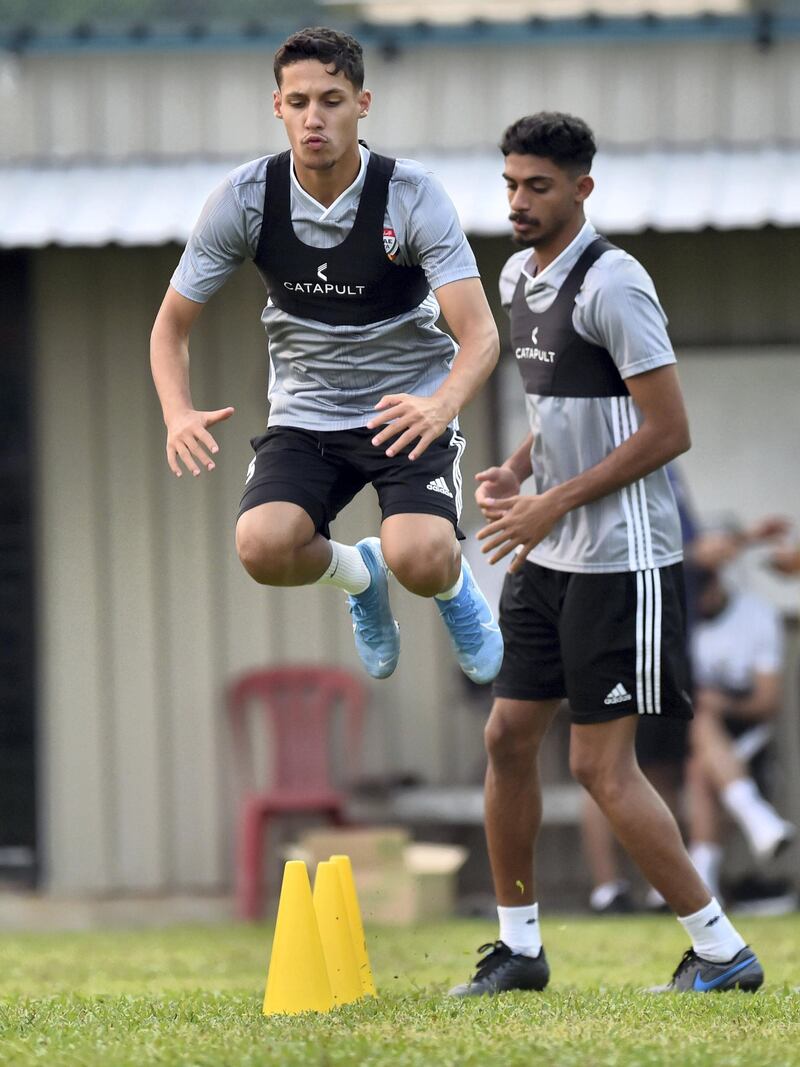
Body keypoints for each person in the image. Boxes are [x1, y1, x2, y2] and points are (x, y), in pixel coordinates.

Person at [449, 112, 762, 996]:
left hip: (625, 561)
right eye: (510, 183)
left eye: (537, 186)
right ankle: (519, 948)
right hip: (548, 555)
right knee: (508, 736)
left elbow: (668, 431)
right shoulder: (514, 275)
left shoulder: (614, 283)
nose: (518, 201)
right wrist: (517, 473)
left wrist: (551, 502)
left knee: (598, 765)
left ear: (583, 188)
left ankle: (720, 949)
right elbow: (561, 420)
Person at [150, 27, 503, 685]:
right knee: (262, 546)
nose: (315, 117)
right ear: (277, 106)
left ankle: (457, 593)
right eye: (299, 100)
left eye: (332, 99)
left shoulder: (412, 196)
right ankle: (360, 577)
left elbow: (480, 335)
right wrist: (177, 413)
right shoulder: (245, 199)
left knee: (422, 558)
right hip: (308, 412)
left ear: (362, 103)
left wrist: (440, 404)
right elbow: (170, 326)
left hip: (406, 410)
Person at [687, 564, 794, 900]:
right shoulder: (679, 619)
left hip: (747, 734)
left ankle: (704, 882)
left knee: (701, 765)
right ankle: (757, 818)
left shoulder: (756, 616)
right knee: (700, 737)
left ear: (717, 580)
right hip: (685, 734)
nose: (701, 602)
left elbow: (767, 701)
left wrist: (724, 704)